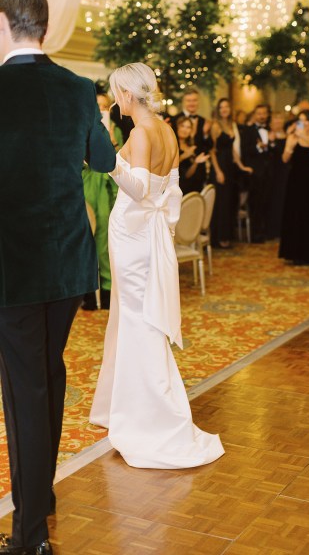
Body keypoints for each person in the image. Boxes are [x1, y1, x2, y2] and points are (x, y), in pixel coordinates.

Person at [0, 0, 116, 555]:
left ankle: (28, 537)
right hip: (70, 262)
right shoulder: (77, 88)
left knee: (24, 390)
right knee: (46, 374)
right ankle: (40, 504)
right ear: (44, 26)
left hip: (14, 268)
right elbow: (105, 159)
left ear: (4, 24)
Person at [89, 63, 224, 469]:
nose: (116, 102)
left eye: (117, 94)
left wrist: (112, 164)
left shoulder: (142, 132)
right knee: (133, 316)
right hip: (144, 234)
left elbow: (141, 187)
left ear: (129, 95)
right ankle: (124, 405)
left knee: (137, 319)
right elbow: (173, 188)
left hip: (132, 236)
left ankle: (149, 416)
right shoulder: (165, 129)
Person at [82, 92, 123, 310]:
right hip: (86, 189)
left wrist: (113, 144)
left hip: (107, 189)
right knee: (85, 242)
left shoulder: (115, 129)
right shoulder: (80, 127)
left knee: (105, 243)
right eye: (97, 106)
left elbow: (122, 162)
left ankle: (107, 290)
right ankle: (89, 292)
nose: (101, 110)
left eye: (105, 107)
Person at [279, 110, 309, 264]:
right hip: (295, 180)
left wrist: (307, 138)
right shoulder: (292, 137)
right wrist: (290, 146)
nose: (303, 123)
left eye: (306, 120)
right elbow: (285, 159)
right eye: (300, 120)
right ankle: (294, 253)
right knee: (295, 214)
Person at [210, 98, 253, 248]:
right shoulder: (215, 126)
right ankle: (218, 238)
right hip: (220, 166)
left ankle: (227, 236)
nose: (224, 109)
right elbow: (212, 151)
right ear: (218, 110)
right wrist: (218, 171)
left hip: (230, 167)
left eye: (226, 106)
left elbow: (232, 150)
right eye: (221, 107)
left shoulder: (230, 125)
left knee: (228, 202)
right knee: (220, 203)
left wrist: (241, 166)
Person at [242, 104, 272, 243]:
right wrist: (258, 147)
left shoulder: (271, 129)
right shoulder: (248, 130)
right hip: (255, 172)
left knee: (267, 202)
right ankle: (255, 234)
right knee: (255, 204)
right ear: (255, 114)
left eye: (264, 113)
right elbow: (245, 150)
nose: (261, 115)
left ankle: (267, 231)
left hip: (269, 172)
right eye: (259, 113)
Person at [264, 113, 288, 240]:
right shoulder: (267, 135)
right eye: (276, 120)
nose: (278, 122)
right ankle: (271, 230)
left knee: (283, 200)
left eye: (280, 119)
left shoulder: (288, 135)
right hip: (271, 171)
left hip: (285, 171)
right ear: (271, 123)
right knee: (272, 200)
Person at [171, 87, 212, 155]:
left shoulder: (203, 121)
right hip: (181, 162)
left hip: (199, 162)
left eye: (194, 100)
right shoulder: (174, 120)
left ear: (199, 101)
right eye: (188, 100)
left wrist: (206, 134)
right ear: (183, 102)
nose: (192, 103)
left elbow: (208, 146)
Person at [176, 115, 209, 194]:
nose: (185, 130)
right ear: (177, 127)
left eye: (188, 127)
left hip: (193, 185)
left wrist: (195, 163)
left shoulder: (191, 146)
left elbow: (187, 174)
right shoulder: (172, 144)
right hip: (178, 187)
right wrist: (183, 157)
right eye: (182, 126)